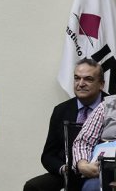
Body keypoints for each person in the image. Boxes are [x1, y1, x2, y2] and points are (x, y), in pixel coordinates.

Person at [24, 59, 104, 191]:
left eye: (88, 79)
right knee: (33, 187)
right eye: (77, 78)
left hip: (100, 172)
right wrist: (64, 169)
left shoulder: (111, 107)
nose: (81, 84)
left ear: (101, 84)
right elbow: (48, 155)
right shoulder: (61, 110)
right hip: (69, 172)